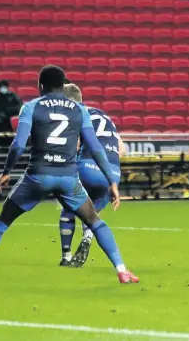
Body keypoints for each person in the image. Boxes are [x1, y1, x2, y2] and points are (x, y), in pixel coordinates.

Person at [0, 65, 124, 286]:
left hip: (37, 176)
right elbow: (96, 147)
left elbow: (18, 145)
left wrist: (6, 172)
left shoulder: (31, 107)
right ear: (63, 86)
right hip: (67, 177)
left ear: (40, 85)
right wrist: (112, 181)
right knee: (94, 220)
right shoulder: (80, 110)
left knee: (1, 222)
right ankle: (122, 271)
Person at [58, 83, 138, 283]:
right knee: (92, 214)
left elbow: (75, 143)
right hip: (112, 172)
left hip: (87, 166)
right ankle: (87, 237)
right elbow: (122, 149)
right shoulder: (104, 116)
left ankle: (66, 256)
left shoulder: (76, 115)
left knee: (68, 205)